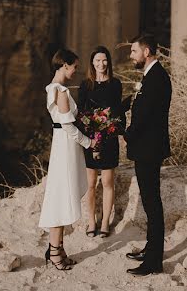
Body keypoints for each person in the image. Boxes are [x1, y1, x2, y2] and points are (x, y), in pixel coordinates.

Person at [38, 49, 96, 271]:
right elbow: (67, 126)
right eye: (74, 67)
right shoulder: (60, 91)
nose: (75, 71)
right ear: (64, 66)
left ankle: (58, 248)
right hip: (65, 147)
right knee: (60, 198)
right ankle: (54, 252)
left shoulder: (54, 88)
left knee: (62, 196)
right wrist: (89, 143)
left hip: (64, 146)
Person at [123, 33, 172, 276]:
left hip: (149, 149)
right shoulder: (150, 76)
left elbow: (146, 117)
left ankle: (154, 261)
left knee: (152, 204)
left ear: (147, 52)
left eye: (134, 51)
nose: (131, 55)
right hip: (147, 148)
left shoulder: (157, 78)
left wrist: (127, 133)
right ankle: (151, 248)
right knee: (149, 201)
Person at [76, 46, 124, 238]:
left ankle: (105, 222)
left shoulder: (115, 84)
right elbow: (80, 112)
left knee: (107, 182)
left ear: (108, 62)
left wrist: (119, 131)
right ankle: (91, 221)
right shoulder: (85, 85)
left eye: (104, 60)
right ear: (92, 63)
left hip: (110, 137)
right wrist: (89, 134)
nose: (101, 64)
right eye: (97, 60)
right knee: (90, 183)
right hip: (90, 139)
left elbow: (119, 111)